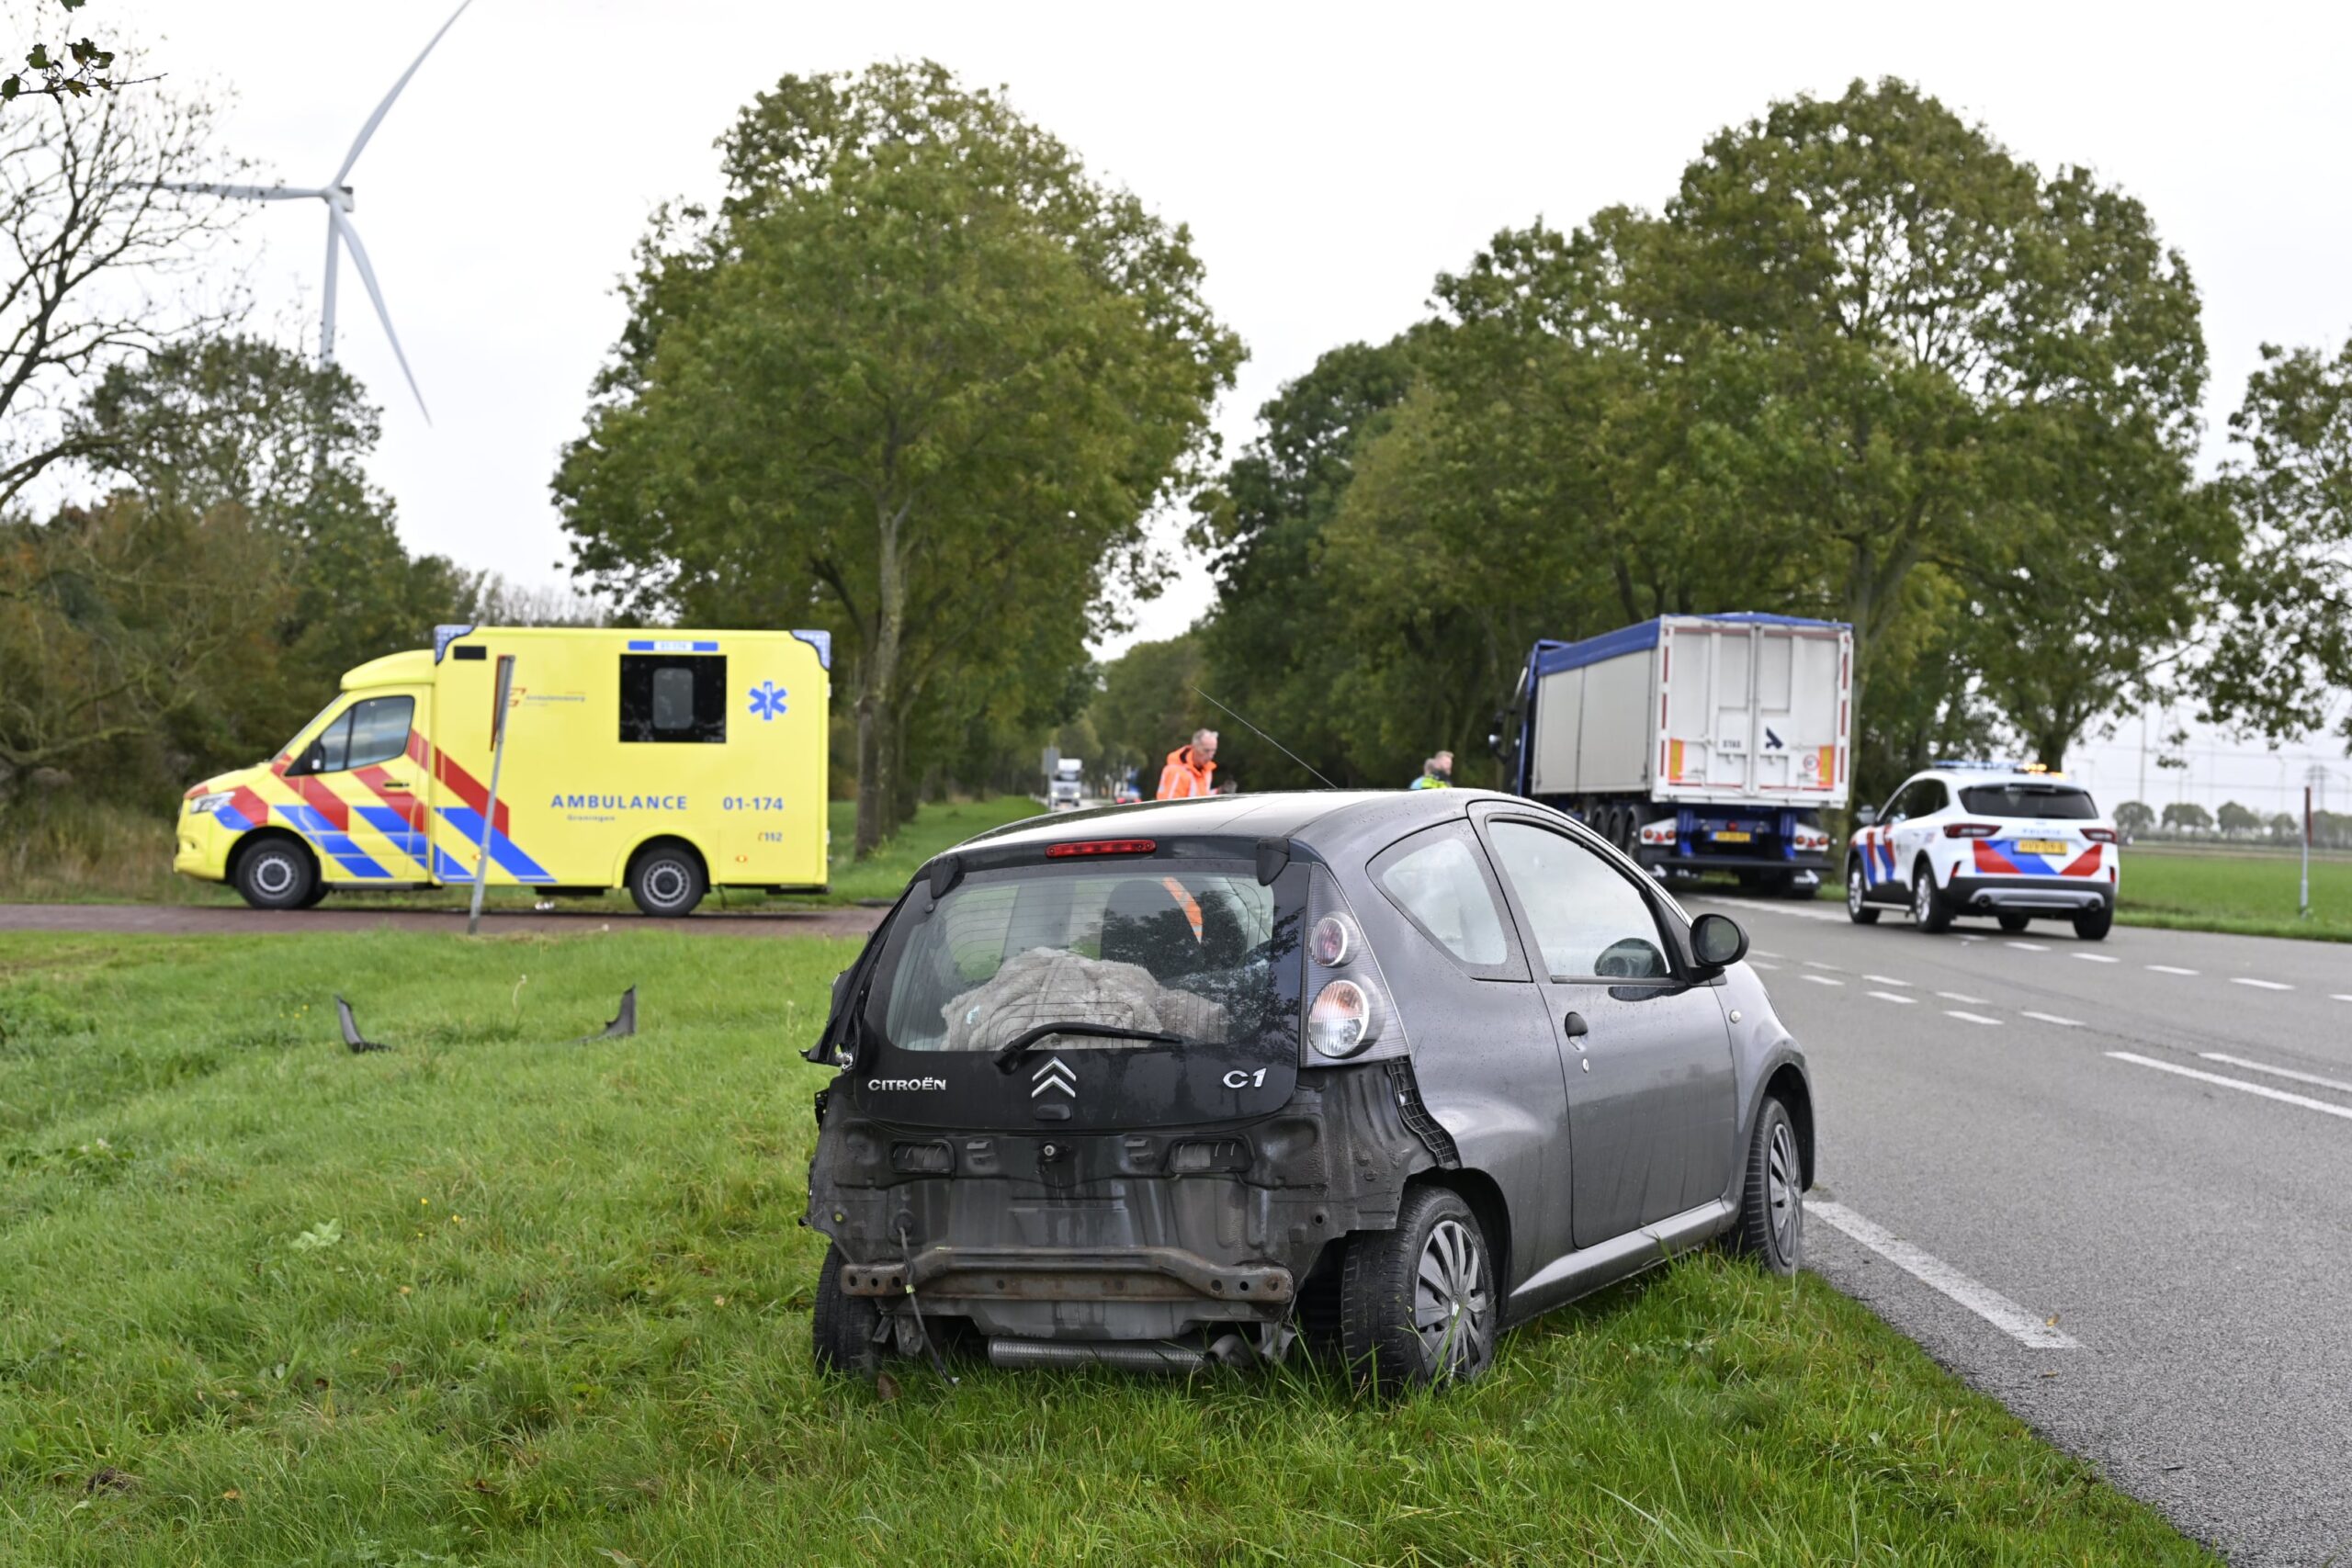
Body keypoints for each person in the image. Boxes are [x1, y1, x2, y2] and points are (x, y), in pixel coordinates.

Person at [1156, 728, 1218, 800]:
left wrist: (1218, 792)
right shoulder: (1177, 772)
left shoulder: (1206, 770)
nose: (1210, 756)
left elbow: (1201, 797)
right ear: (1194, 747)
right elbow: (1169, 807)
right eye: (1206, 751)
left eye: (1213, 751)